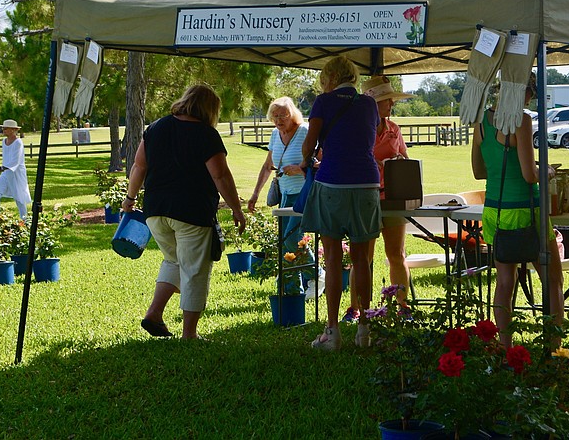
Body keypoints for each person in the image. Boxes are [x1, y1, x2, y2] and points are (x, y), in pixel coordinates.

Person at [122, 84, 246, 340]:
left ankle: (154, 314)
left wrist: (129, 199)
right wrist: (236, 209)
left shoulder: (156, 127)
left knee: (174, 261)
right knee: (194, 270)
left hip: (156, 211)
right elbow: (220, 175)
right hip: (192, 212)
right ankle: (189, 334)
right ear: (210, 109)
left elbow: (138, 165)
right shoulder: (206, 134)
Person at [471, 74, 564, 349]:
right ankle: (554, 346)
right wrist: (544, 170)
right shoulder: (521, 120)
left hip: (495, 212)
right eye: (530, 93)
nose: (530, 99)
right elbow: (528, 175)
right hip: (526, 211)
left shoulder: (481, 122)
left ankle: (504, 345)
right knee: (553, 280)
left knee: (504, 282)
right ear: (523, 91)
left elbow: (478, 171)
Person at [300, 56, 380, 351]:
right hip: (367, 183)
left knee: (332, 258)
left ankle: (332, 331)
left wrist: (308, 160)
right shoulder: (370, 104)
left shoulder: (323, 101)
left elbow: (309, 144)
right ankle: (364, 329)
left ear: (331, 77)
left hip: (333, 180)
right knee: (362, 259)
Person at [342, 76, 413, 323]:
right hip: (365, 198)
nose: (391, 103)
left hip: (393, 199)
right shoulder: (358, 129)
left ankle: (403, 307)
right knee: (363, 257)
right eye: (386, 100)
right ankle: (357, 309)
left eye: (391, 99)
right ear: (372, 104)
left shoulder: (394, 129)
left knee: (396, 254)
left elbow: (404, 156)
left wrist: (400, 163)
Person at [247, 97, 309, 254]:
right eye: (274, 116)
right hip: (284, 195)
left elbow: (320, 162)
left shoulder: (304, 131)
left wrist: (300, 170)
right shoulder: (275, 134)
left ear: (292, 115)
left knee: (292, 239)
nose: (278, 120)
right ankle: (290, 279)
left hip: (303, 194)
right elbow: (268, 166)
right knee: (284, 242)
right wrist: (255, 194)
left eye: (283, 115)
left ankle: (318, 274)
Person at [0, 119, 32, 218]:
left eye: (6, 128)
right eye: (3, 128)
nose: (4, 130)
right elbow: (6, 158)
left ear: (13, 130)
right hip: (6, 172)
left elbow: (15, 161)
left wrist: (0, 169)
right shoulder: (4, 142)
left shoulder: (18, 142)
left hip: (16, 173)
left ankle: (25, 220)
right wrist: (3, 169)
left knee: (19, 198)